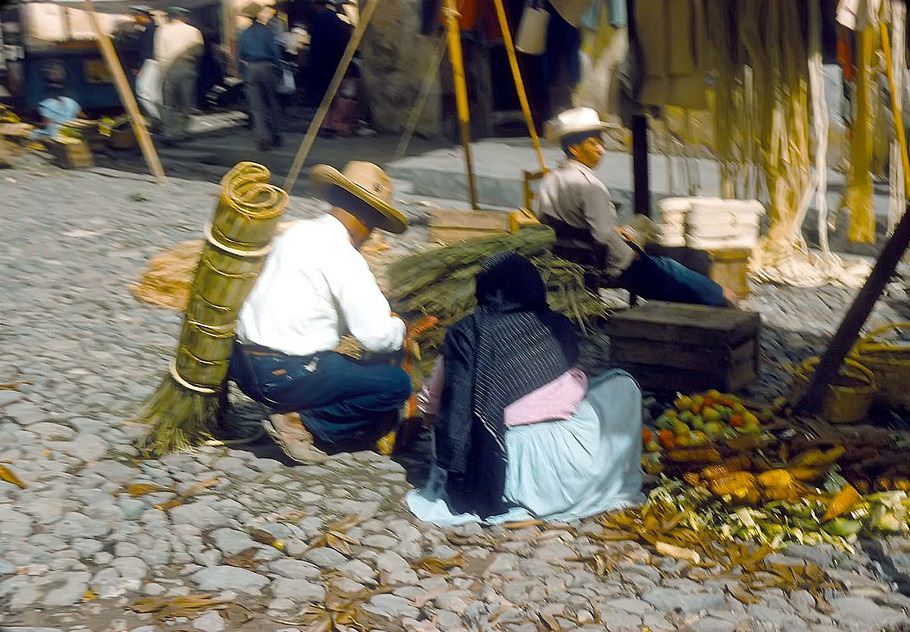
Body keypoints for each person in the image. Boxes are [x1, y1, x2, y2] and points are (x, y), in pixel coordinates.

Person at [407, 252, 645, 525]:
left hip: (497, 469)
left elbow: (432, 404)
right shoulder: (557, 326)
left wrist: (435, 426)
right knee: (624, 385)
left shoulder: (466, 333)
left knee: (455, 419)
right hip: (572, 465)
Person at [229, 162, 413, 464]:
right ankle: (303, 422)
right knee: (394, 385)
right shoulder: (345, 258)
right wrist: (398, 326)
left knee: (340, 363)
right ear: (366, 219)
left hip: (242, 366)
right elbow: (376, 337)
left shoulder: (293, 234)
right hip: (286, 375)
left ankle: (289, 405)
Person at [537, 107, 735, 306]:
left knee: (665, 261)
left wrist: (613, 231)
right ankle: (721, 296)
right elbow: (604, 237)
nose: (601, 149)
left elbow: (559, 223)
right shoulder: (589, 186)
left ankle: (712, 293)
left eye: (601, 142)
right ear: (574, 149)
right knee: (673, 265)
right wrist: (631, 255)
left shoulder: (550, 180)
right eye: (593, 143)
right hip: (606, 265)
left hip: (569, 258)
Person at [238, 2, 282, 151]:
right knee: (271, 102)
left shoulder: (244, 34)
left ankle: (263, 139)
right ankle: (275, 134)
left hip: (251, 68)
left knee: (257, 107)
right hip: (267, 66)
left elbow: (239, 55)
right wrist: (280, 70)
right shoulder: (266, 31)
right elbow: (275, 53)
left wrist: (242, 74)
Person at [155, 6, 203, 143]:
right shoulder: (194, 31)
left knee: (169, 104)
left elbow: (159, 53)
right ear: (183, 17)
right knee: (186, 102)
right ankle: (183, 131)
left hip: (169, 69)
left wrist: (162, 70)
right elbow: (199, 52)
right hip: (188, 68)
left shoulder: (162, 31)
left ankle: (170, 132)